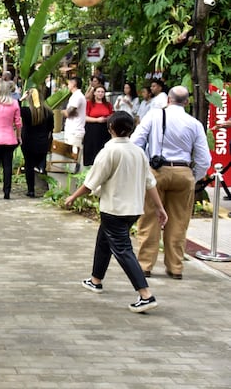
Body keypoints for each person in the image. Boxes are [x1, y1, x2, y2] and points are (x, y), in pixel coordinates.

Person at [65, 111, 168, 313]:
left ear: (110, 128)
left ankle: (145, 294)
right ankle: (96, 280)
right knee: (104, 241)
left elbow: (91, 182)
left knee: (122, 249)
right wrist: (159, 207)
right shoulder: (138, 152)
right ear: (131, 129)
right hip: (134, 209)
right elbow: (150, 183)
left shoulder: (109, 152)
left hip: (114, 209)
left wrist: (72, 197)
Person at [131, 86, 211, 279]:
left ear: (168, 100)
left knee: (149, 219)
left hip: (157, 172)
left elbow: (136, 142)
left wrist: (143, 168)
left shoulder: (153, 116)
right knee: (178, 221)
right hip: (183, 172)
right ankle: (175, 267)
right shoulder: (194, 123)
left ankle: (145, 265)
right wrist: (193, 175)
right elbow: (204, 160)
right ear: (187, 102)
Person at [20, 87, 54, 198]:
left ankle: (31, 190)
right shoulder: (48, 112)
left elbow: (14, 108)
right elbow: (50, 129)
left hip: (28, 143)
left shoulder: (25, 111)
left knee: (29, 166)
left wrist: (21, 99)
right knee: (39, 164)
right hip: (42, 143)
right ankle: (44, 186)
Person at [83, 85, 113, 166]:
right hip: (92, 129)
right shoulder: (89, 104)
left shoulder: (108, 104)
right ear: (94, 93)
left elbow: (111, 115)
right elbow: (84, 117)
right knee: (91, 149)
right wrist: (97, 120)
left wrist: (106, 119)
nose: (100, 94)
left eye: (102, 92)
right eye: (98, 92)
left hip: (104, 130)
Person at [61, 77, 86, 172]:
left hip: (75, 129)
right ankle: (71, 169)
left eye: (69, 83)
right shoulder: (75, 96)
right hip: (71, 128)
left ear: (74, 84)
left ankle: (74, 170)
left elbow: (68, 113)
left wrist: (62, 111)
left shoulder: (78, 96)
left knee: (73, 152)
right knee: (69, 152)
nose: (68, 85)